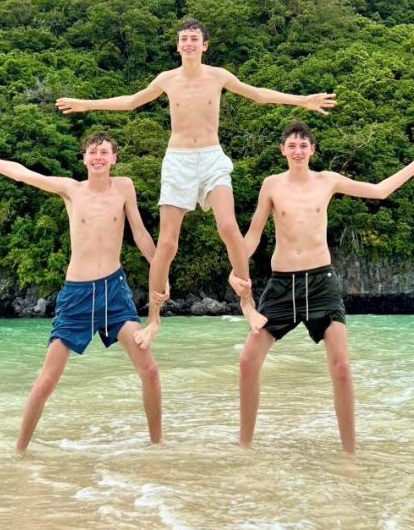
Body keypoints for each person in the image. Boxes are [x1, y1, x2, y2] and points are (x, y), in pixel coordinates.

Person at [56, 18, 336, 349]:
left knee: (229, 228)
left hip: (212, 157)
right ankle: (154, 320)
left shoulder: (218, 76)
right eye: (183, 38)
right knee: (168, 245)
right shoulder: (167, 79)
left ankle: (246, 303)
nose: (188, 43)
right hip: (178, 161)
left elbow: (258, 95)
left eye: (194, 38)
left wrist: (303, 100)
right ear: (178, 46)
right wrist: (87, 104)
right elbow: (132, 102)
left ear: (204, 45)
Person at [230, 121, 414, 453]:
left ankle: (350, 453)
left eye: (304, 145)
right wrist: (236, 269)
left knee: (342, 366)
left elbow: (378, 190)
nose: (298, 150)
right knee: (248, 361)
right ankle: (244, 447)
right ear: (283, 151)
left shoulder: (327, 181)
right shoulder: (271, 185)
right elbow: (253, 236)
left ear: (312, 150)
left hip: (322, 283)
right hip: (282, 286)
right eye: (292, 145)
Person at [0, 129, 162, 453]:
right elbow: (22, 173)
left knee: (151, 370)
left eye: (104, 152)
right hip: (77, 295)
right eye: (92, 151)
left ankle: (158, 447)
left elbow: (140, 234)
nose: (98, 156)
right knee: (47, 381)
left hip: (115, 291)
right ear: (84, 158)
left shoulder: (124, 188)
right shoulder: (71, 189)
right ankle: (19, 451)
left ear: (114, 158)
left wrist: (160, 270)